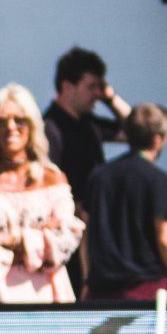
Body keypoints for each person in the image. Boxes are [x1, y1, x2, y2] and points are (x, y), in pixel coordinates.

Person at [0, 84, 82, 303]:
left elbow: (64, 242)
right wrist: (36, 242)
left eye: (19, 120)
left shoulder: (52, 179)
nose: (11, 127)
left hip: (46, 300)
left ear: (32, 126)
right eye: (2, 121)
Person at [43, 48, 130, 294]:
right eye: (91, 87)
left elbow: (139, 133)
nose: (97, 94)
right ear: (67, 86)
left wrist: (111, 98)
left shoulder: (89, 123)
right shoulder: (50, 128)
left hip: (97, 235)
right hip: (73, 238)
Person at [82, 104, 167, 302]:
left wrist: (86, 280)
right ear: (158, 139)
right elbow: (165, 236)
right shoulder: (158, 179)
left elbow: (85, 231)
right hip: (147, 289)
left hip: (101, 290)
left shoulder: (99, 176)